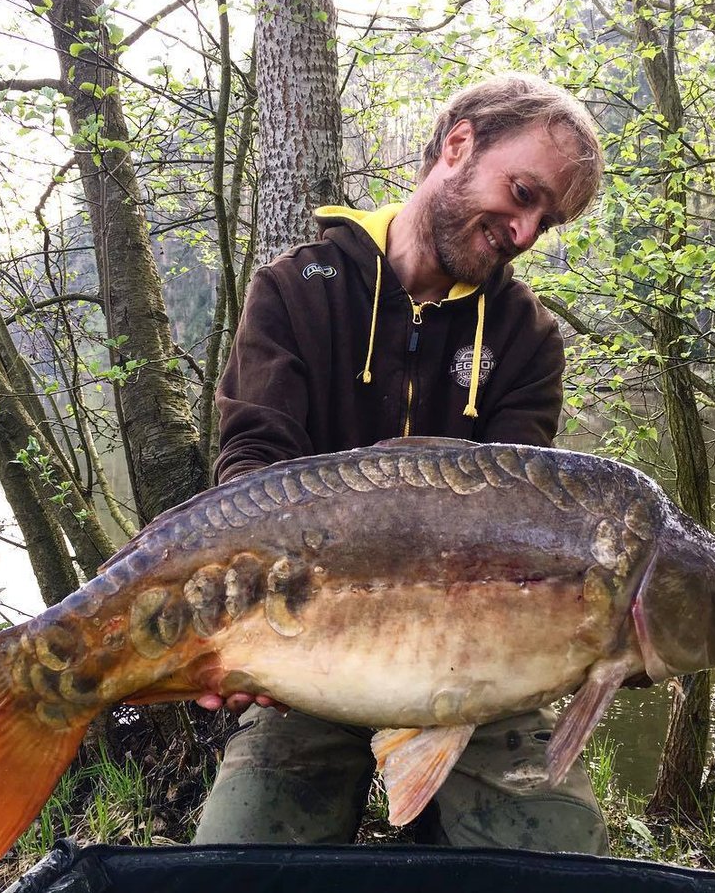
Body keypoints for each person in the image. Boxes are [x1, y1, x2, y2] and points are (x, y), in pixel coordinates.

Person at [192, 73, 608, 852]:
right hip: (309, 652)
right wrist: (237, 615)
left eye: (543, 220)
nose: (523, 230)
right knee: (235, 861)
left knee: (562, 862)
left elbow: (527, 525)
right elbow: (252, 462)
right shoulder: (296, 291)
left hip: (480, 672)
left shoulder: (525, 339)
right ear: (458, 145)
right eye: (521, 194)